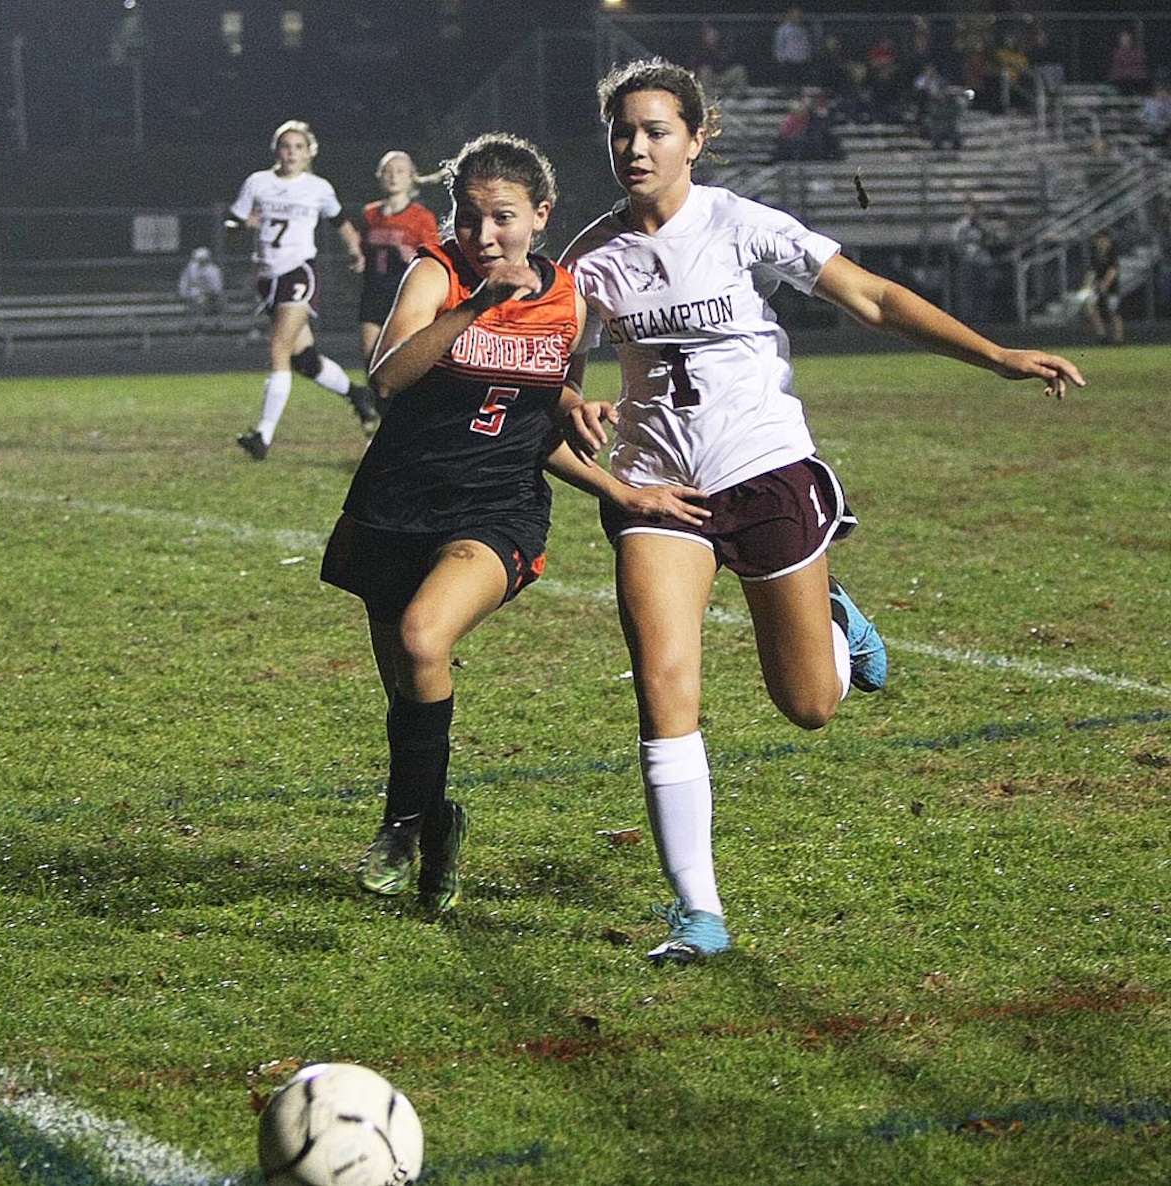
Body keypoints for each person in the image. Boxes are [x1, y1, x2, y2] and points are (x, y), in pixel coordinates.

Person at [559, 58, 1086, 965]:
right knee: (662, 684)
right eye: (623, 133)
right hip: (657, 487)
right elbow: (558, 368)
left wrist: (997, 355)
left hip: (764, 472)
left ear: (696, 138)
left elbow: (873, 297)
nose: (636, 147)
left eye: (656, 131)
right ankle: (698, 912)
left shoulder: (742, 224)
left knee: (807, 706)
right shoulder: (588, 257)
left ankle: (836, 620)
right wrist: (575, 400)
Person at [321, 132, 707, 912]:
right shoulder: (436, 273)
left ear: (540, 215)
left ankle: (399, 827)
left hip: (497, 509)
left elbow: (542, 422)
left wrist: (609, 475)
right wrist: (475, 308)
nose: (485, 234)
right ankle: (438, 825)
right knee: (409, 692)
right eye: (469, 218)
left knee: (422, 637)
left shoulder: (567, 298)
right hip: (396, 504)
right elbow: (389, 376)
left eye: (502, 217)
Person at [227, 119, 378, 460]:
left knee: (278, 348)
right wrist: (240, 225)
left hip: (298, 272)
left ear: (309, 152)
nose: (292, 153)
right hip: (267, 277)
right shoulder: (258, 182)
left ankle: (263, 436)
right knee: (304, 359)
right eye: (286, 146)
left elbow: (340, 222)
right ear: (276, 150)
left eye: (299, 147)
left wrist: (356, 250)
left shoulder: (318, 188)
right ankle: (357, 396)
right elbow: (232, 227)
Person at [357, 151, 441, 369]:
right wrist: (358, 259)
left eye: (400, 171)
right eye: (388, 171)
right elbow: (361, 250)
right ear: (380, 176)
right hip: (373, 291)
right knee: (370, 361)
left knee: (397, 361)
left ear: (411, 177)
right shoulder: (370, 214)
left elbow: (435, 259)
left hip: (404, 293)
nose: (393, 176)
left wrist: (412, 256)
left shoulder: (422, 217)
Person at [1084, 229, 1124, 344]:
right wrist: (1087, 285)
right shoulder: (1094, 254)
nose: (1099, 242)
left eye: (1101, 239)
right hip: (1097, 286)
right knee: (1092, 308)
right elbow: (1092, 271)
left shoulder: (1112, 253)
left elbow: (1113, 270)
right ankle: (1101, 334)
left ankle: (1119, 338)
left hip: (1112, 288)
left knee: (1114, 311)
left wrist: (1105, 284)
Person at [177, 246, 226, 320]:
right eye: (199, 259)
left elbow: (217, 286)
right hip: (194, 292)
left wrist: (208, 291)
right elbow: (184, 282)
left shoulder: (213, 270)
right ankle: (197, 318)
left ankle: (215, 318)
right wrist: (184, 293)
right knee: (198, 300)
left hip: (210, 293)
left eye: (203, 259)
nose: (201, 262)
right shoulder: (190, 268)